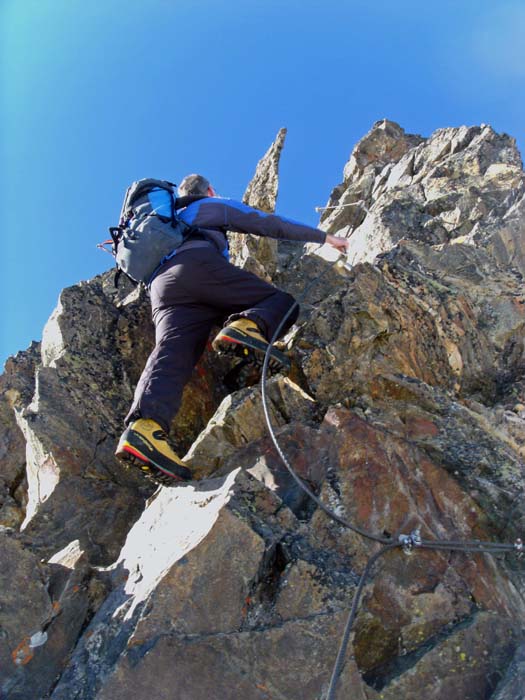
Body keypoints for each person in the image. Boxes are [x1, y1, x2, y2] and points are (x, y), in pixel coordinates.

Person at [115, 174, 349, 483]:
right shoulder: (206, 206)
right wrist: (325, 238)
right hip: (197, 266)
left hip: (161, 289)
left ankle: (142, 429)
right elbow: (266, 222)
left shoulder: (164, 222)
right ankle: (247, 327)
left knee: (172, 354)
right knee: (279, 302)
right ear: (209, 190)